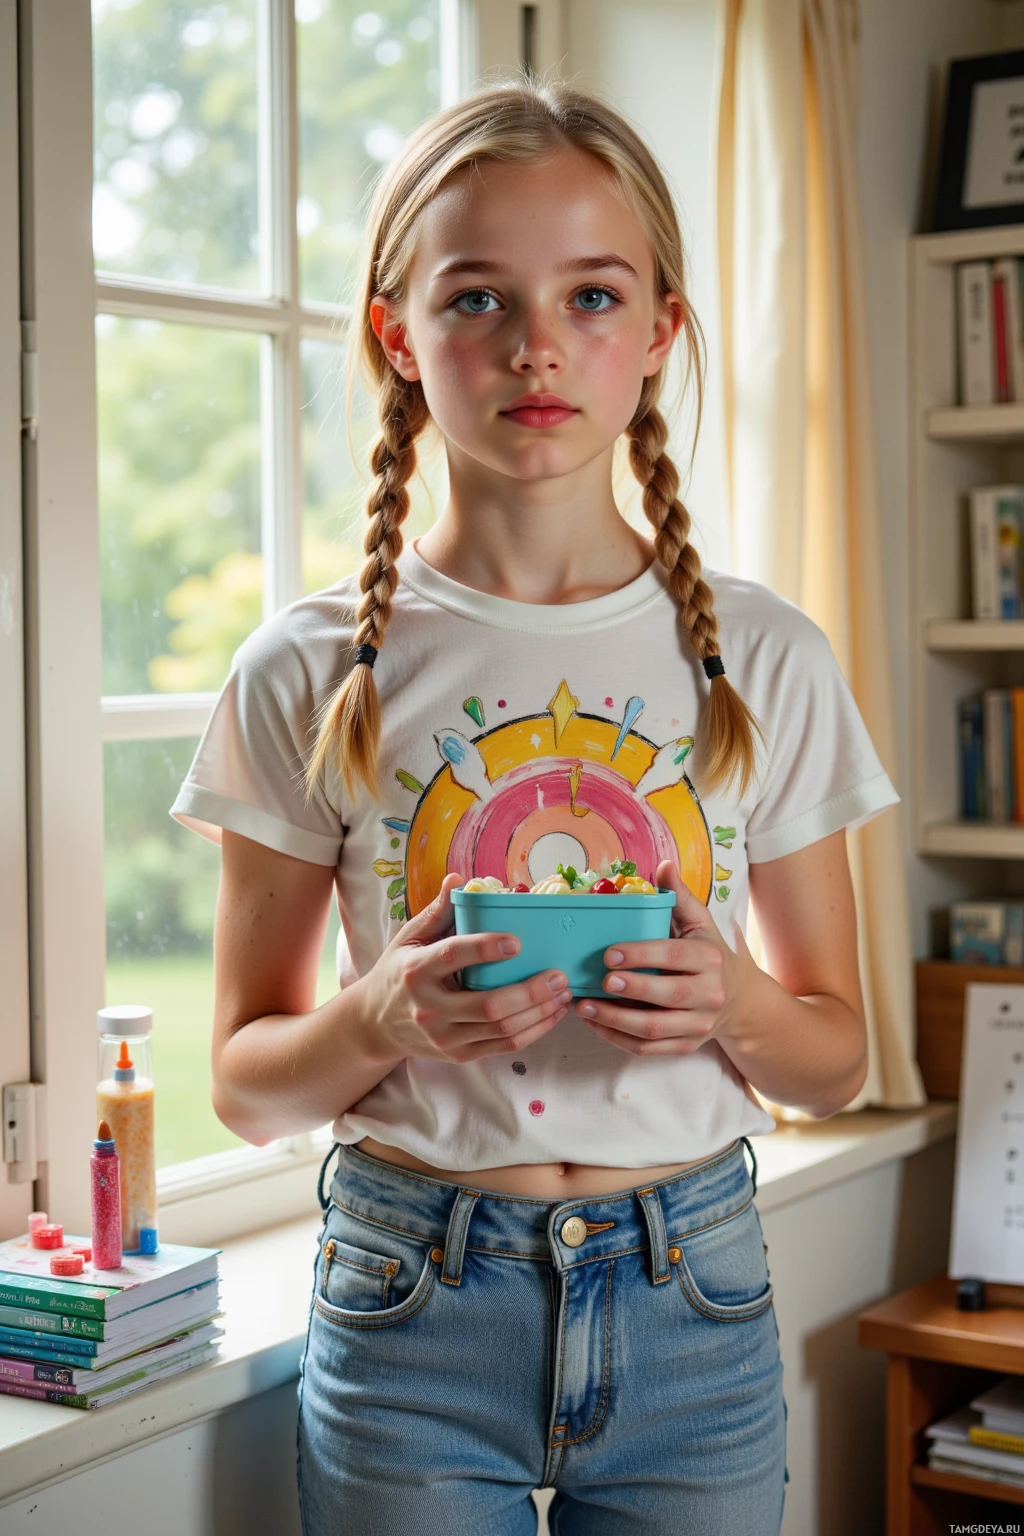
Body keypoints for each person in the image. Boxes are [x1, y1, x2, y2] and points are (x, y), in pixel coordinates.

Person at [172, 75, 898, 1536]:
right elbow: (246, 1083)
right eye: (480, 300)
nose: (538, 347)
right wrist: (382, 1014)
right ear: (399, 335)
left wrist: (730, 1004)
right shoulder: (308, 669)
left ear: (660, 334)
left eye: (592, 295)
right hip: (409, 1306)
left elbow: (836, 1063)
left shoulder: (763, 655)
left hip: (695, 1291)